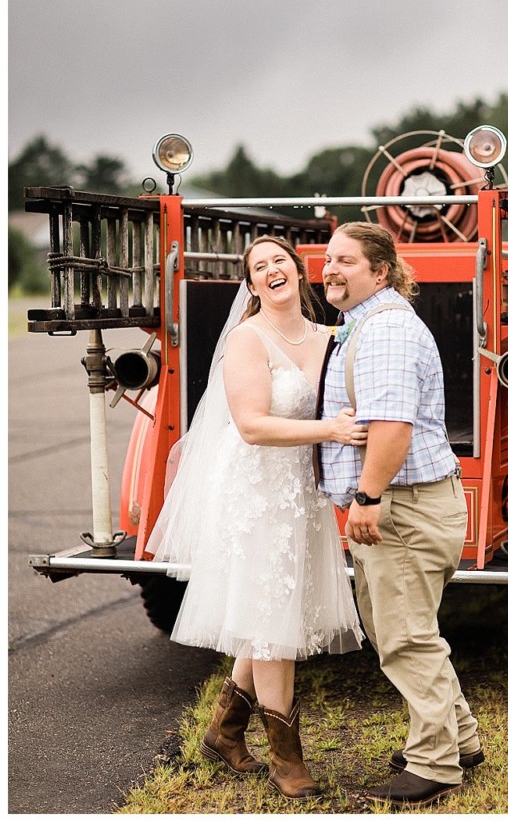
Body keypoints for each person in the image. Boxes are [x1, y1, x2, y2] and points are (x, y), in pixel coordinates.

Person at [146, 235, 366, 800]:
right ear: (251, 285)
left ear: (299, 270)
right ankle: (287, 762)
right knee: (274, 625)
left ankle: (224, 730)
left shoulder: (330, 337)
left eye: (280, 261)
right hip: (257, 492)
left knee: (275, 612)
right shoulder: (248, 339)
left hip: (303, 491)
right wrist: (332, 430)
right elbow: (253, 425)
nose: (272, 270)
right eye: (259, 266)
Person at [318, 222, 481, 808]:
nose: (330, 269)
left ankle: (434, 763)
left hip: (404, 509)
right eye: (329, 258)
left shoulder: (384, 329)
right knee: (413, 631)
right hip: (414, 504)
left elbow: (391, 424)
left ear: (380, 271)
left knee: (405, 639)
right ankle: (460, 740)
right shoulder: (366, 323)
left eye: (346, 261)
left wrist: (368, 497)